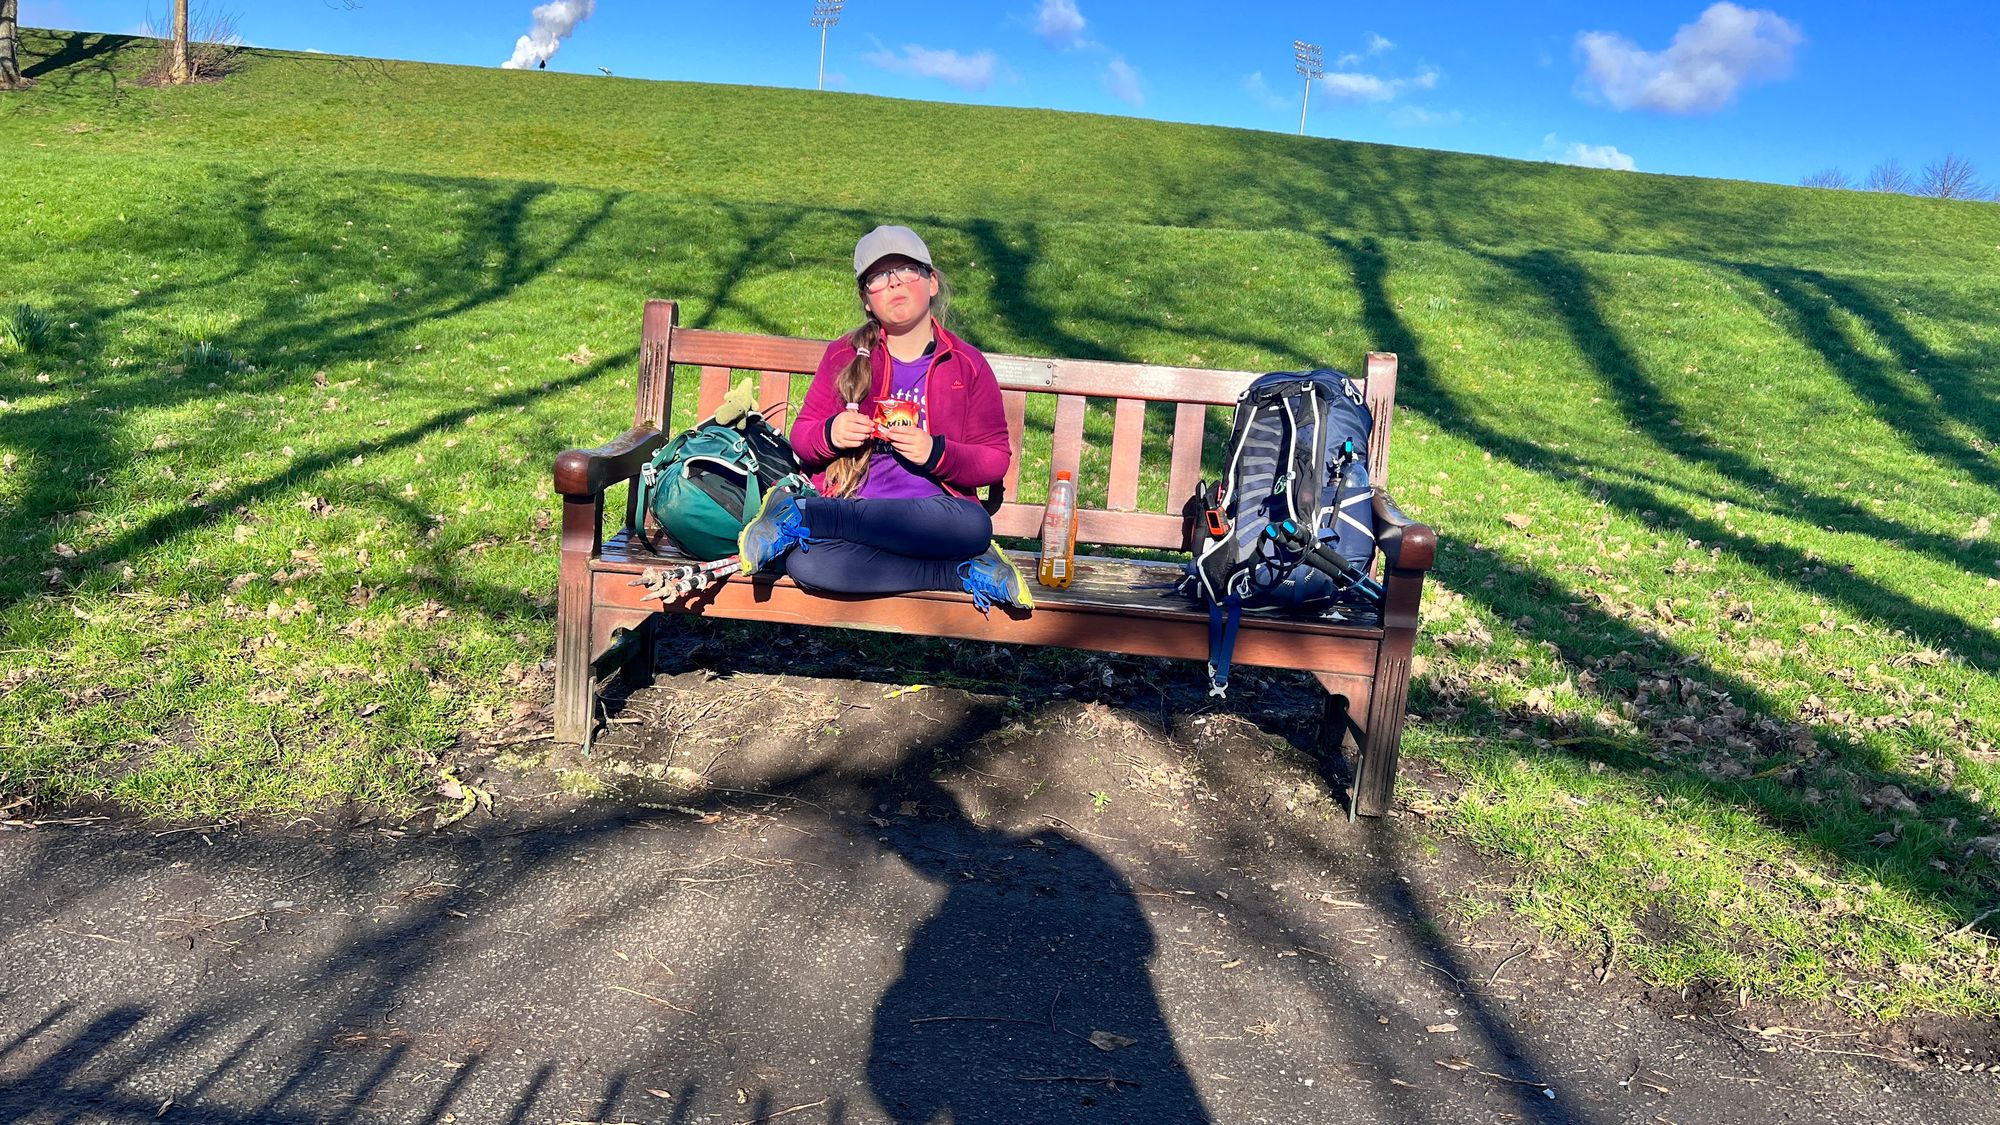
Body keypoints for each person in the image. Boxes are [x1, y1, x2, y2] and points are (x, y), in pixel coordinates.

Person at [736, 225, 1034, 613]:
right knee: (808, 563)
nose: (895, 284)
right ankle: (965, 572)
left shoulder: (966, 364)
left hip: (933, 517)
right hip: (856, 507)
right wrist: (832, 433)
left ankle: (805, 515)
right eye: (879, 277)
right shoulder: (845, 355)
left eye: (907, 270)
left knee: (974, 526)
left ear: (932, 283)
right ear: (866, 300)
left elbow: (995, 458)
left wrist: (935, 452)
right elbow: (804, 437)